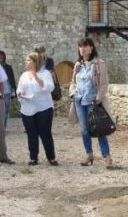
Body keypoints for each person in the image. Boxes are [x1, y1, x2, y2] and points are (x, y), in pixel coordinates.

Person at [68, 37, 114, 169]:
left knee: (99, 129)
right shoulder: (77, 65)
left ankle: (107, 157)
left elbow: (104, 83)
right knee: (84, 130)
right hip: (79, 101)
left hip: (93, 102)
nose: (82, 49)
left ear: (91, 48)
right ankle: (89, 154)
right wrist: (73, 92)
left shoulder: (99, 63)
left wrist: (98, 99)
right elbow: (73, 82)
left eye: (85, 46)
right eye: (80, 46)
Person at [16, 52, 57, 166]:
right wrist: (20, 92)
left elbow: (49, 88)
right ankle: (33, 158)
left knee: (45, 133)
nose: (26, 62)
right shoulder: (23, 75)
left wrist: (35, 76)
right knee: (31, 134)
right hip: (27, 109)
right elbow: (19, 89)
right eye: (26, 60)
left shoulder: (45, 73)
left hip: (43, 108)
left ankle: (51, 157)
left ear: (35, 62)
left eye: (28, 60)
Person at [0, 50, 16, 128]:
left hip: (7, 92)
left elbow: (12, 79)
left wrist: (13, 91)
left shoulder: (8, 67)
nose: (0, 60)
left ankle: (3, 127)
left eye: (2, 58)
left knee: (6, 111)